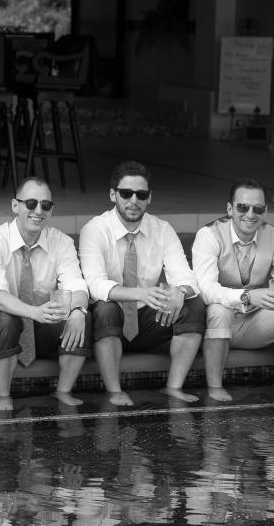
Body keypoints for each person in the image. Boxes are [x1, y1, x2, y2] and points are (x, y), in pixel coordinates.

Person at [79, 161, 205, 406]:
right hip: (108, 323)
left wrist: (180, 291)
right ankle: (115, 391)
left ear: (150, 198)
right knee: (104, 308)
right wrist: (141, 293)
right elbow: (95, 285)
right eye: (126, 193)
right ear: (113, 194)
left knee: (194, 305)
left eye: (141, 194)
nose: (134, 200)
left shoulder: (162, 229)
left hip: (148, 319)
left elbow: (185, 276)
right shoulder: (94, 229)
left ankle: (174, 387)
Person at [0, 176, 91, 411]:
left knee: (81, 316)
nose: (38, 211)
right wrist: (33, 312)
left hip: (43, 323)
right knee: (6, 319)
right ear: (15, 206)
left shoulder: (62, 242)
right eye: (31, 203)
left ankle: (63, 392)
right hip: (4, 326)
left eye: (45, 205)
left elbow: (77, 285)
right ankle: (3, 397)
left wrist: (78, 310)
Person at [191, 179, 274, 401]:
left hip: (254, 323)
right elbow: (205, 289)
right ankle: (215, 387)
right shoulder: (208, 234)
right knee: (218, 310)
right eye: (242, 207)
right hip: (217, 323)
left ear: (265, 211)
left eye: (257, 209)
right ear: (230, 209)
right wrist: (246, 296)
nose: (250, 214)